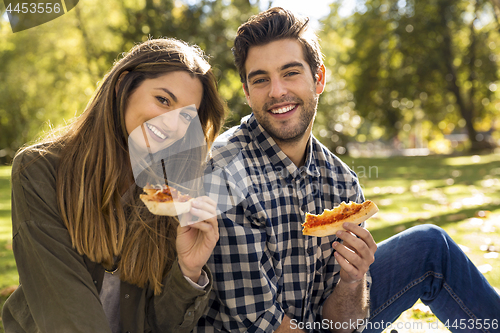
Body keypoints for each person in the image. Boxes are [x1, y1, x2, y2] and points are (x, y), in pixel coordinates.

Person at [195, 7, 500, 333]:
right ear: (246, 92)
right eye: (260, 79)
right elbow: (263, 325)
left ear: (319, 79)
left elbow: (344, 324)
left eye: (291, 73)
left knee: (430, 246)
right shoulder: (222, 172)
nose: (277, 91)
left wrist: (353, 280)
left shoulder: (341, 182)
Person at [2, 38, 226, 333]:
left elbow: (156, 325)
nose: (172, 124)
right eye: (162, 100)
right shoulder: (40, 170)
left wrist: (188, 269)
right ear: (123, 86)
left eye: (186, 115)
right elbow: (66, 316)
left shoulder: (166, 196)